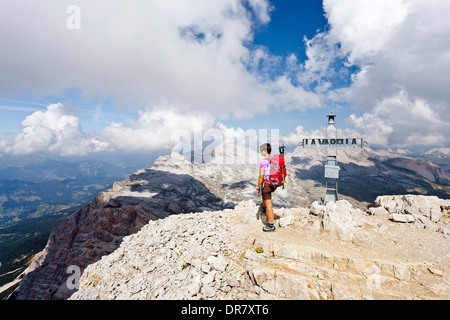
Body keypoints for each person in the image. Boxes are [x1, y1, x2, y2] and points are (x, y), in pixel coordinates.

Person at [256, 143, 277, 232]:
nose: (260, 152)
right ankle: (263, 206)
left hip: (267, 185)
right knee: (265, 198)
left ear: (265, 151)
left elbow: (261, 176)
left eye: (261, 150)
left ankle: (271, 225)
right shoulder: (273, 159)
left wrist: (258, 187)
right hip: (273, 184)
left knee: (269, 206)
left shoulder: (264, 161)